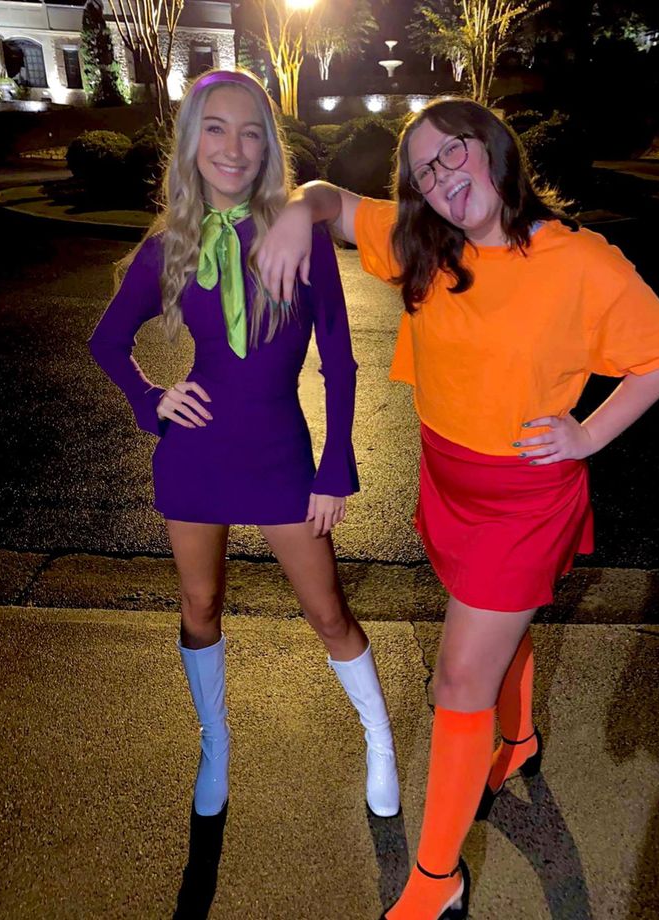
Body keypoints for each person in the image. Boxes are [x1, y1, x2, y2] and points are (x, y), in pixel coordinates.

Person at [256, 97, 659, 919]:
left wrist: (589, 435)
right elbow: (332, 200)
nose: (442, 175)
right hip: (447, 481)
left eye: (453, 152)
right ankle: (519, 739)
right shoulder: (423, 243)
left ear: (493, 149)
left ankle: (436, 880)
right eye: (424, 169)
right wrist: (294, 211)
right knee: (490, 635)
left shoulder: (581, 261)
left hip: (524, 498)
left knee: (459, 676)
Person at [88, 69, 400, 825]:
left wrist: (335, 467)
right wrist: (152, 401)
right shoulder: (172, 245)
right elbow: (106, 341)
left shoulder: (301, 233)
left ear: (268, 146)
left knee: (327, 611)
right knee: (200, 603)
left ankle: (379, 742)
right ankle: (216, 742)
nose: (235, 146)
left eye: (252, 130)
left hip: (280, 453)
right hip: (195, 453)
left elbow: (340, 358)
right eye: (217, 128)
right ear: (192, 142)